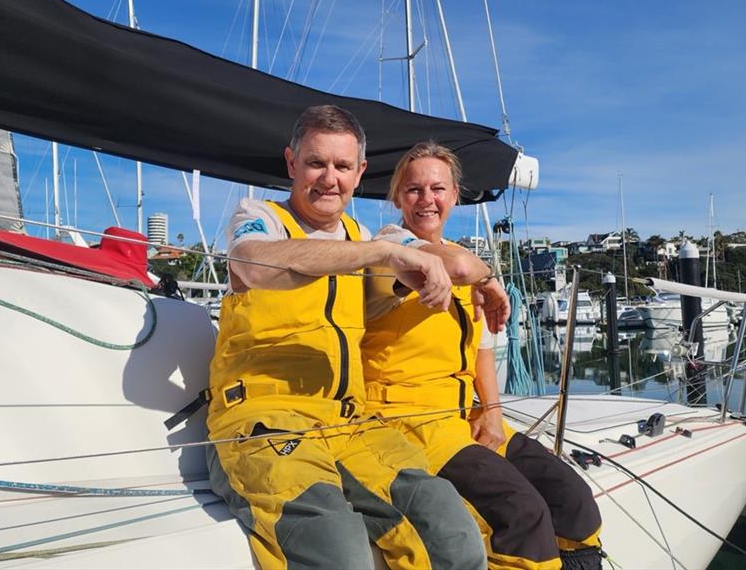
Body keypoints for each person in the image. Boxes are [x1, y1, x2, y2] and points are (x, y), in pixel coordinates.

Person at [206, 107, 487, 570]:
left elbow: (438, 271)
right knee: (339, 550)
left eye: (342, 166)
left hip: (351, 424)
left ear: (360, 173)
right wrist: (379, 251)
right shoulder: (261, 218)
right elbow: (254, 265)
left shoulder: (358, 236)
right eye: (316, 163)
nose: (329, 179)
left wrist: (487, 280)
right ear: (292, 164)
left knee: (452, 530)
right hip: (264, 421)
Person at [362, 141, 603, 570]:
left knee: (573, 499)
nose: (426, 199)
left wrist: (492, 414)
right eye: (413, 189)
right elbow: (449, 267)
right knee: (521, 512)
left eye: (438, 188)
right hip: (405, 420)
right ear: (397, 197)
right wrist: (488, 276)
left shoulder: (466, 261)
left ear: (455, 194)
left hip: (460, 417)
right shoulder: (389, 248)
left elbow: (482, 353)